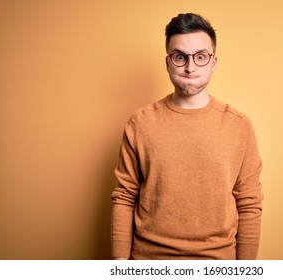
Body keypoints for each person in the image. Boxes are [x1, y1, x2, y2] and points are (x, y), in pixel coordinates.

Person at [111, 13, 263, 260]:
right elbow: (125, 196)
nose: (190, 67)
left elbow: (249, 204)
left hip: (218, 263)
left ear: (214, 62)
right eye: (180, 57)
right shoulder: (140, 122)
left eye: (200, 57)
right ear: (168, 62)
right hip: (148, 262)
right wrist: (119, 266)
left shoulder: (239, 126)